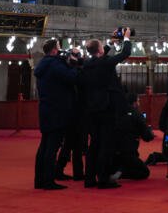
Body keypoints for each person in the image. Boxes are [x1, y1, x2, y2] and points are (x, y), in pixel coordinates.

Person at [81, 28, 132, 189]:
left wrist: (110, 42)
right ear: (100, 50)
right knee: (106, 145)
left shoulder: (87, 63)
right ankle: (103, 178)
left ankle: (89, 179)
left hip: (91, 109)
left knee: (94, 144)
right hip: (106, 108)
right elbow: (124, 54)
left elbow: (100, 56)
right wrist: (126, 39)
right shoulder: (104, 63)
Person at [34, 39, 79, 190]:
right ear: (54, 50)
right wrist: (73, 64)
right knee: (52, 148)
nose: (60, 51)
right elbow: (71, 78)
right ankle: (48, 181)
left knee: (45, 146)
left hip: (46, 110)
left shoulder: (43, 65)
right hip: (57, 111)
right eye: (59, 48)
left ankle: (40, 180)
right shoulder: (54, 64)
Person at [55, 46, 86, 181]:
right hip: (74, 111)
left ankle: (64, 170)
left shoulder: (69, 70)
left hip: (73, 111)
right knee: (74, 144)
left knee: (71, 144)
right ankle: (75, 172)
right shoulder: (70, 72)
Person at [113, 93, 154, 180]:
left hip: (114, 151)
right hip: (129, 152)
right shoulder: (137, 114)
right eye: (138, 101)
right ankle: (122, 173)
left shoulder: (117, 112)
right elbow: (147, 136)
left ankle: (118, 169)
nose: (139, 103)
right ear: (135, 103)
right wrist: (151, 134)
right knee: (145, 172)